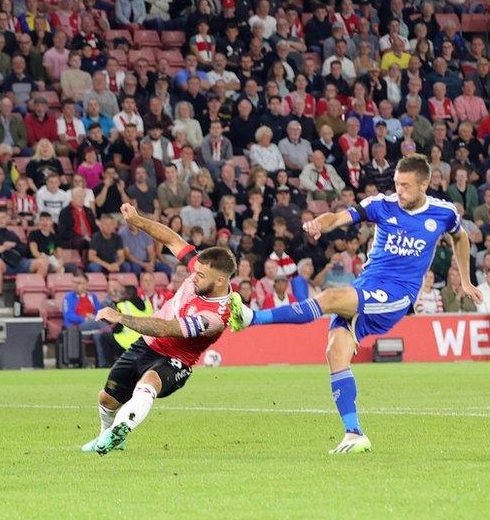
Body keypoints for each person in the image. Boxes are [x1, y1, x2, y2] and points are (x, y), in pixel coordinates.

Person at [237, 155, 482, 454]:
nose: (399, 191)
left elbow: (460, 238)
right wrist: (319, 223)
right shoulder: (382, 205)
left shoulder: (443, 213)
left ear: (424, 184)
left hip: (397, 295)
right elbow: (339, 217)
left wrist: (467, 281)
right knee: (335, 350)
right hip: (366, 287)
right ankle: (354, 433)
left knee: (331, 297)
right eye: (396, 184)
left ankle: (253, 318)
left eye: (405, 186)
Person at [82, 203, 240, 454]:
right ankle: (108, 434)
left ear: (220, 280)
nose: (192, 276)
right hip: (145, 346)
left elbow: (166, 328)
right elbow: (171, 239)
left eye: (200, 276)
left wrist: (121, 317)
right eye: (195, 271)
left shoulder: (215, 316)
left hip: (177, 359)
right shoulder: (202, 269)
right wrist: (137, 220)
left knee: (149, 382)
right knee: (107, 398)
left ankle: (116, 435)